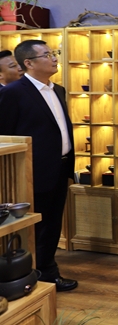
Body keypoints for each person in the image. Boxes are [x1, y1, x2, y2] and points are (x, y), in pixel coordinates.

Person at [0, 40, 77, 292]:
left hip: (61, 168)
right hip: (32, 173)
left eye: (53, 53)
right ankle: (31, 276)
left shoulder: (59, 90)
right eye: (47, 55)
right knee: (37, 228)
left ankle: (48, 272)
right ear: (29, 63)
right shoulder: (13, 92)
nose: (54, 58)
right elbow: (5, 135)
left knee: (53, 225)